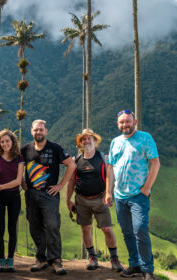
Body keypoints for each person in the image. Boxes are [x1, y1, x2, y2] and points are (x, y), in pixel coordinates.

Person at [104, 110, 160, 280]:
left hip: (138, 195)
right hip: (120, 196)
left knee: (140, 230)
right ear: (117, 124)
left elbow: (155, 163)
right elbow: (111, 167)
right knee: (127, 232)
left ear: (135, 122)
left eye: (128, 121)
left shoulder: (145, 138)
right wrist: (108, 192)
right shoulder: (115, 142)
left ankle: (147, 269)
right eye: (121, 122)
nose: (125, 125)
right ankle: (134, 265)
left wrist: (146, 188)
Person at [21, 119, 76, 275]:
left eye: (41, 130)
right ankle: (41, 259)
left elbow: (71, 165)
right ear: (31, 131)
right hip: (31, 194)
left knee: (52, 225)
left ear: (46, 131)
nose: (38, 132)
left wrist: (61, 185)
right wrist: (22, 181)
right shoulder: (26, 149)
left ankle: (55, 260)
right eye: (35, 130)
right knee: (35, 226)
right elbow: (16, 165)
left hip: (49, 194)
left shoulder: (55, 148)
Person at [66, 129, 124, 271]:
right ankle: (92, 257)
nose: (86, 141)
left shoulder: (103, 158)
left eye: (89, 138)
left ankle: (114, 259)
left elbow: (110, 176)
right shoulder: (76, 160)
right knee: (85, 228)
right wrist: (68, 200)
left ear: (95, 141)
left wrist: (108, 193)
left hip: (100, 198)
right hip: (81, 199)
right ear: (80, 143)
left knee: (107, 228)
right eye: (83, 139)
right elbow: (72, 181)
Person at [0, 129, 25, 272]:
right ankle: (0, 261)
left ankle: (10, 260)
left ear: (13, 142)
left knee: (12, 229)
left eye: (7, 141)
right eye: (2, 141)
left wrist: (1, 187)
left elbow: (18, 181)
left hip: (14, 198)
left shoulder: (19, 159)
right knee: (0, 229)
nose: (5, 144)